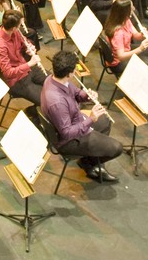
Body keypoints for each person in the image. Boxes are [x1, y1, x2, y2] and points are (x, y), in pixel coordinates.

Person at [41, 50, 122, 183]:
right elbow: (67, 133)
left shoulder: (54, 79)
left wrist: (86, 96)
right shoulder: (57, 102)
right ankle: (89, 163)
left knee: (105, 121)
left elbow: (75, 92)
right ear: (69, 73)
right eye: (74, 70)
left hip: (76, 120)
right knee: (117, 148)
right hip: (68, 141)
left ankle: (89, 161)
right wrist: (91, 119)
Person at [0, 9, 48, 105]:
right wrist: (30, 63)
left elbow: (24, 41)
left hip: (26, 68)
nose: (21, 27)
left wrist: (30, 47)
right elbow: (8, 73)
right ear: (13, 28)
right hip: (16, 80)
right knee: (47, 101)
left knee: (55, 82)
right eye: (19, 25)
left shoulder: (14, 32)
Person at [102, 0, 148, 75]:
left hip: (126, 50)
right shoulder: (118, 33)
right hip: (119, 63)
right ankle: (137, 78)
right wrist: (140, 49)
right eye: (132, 8)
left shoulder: (125, 20)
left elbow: (136, 35)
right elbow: (121, 56)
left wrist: (142, 34)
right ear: (125, 12)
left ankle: (140, 70)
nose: (134, 9)